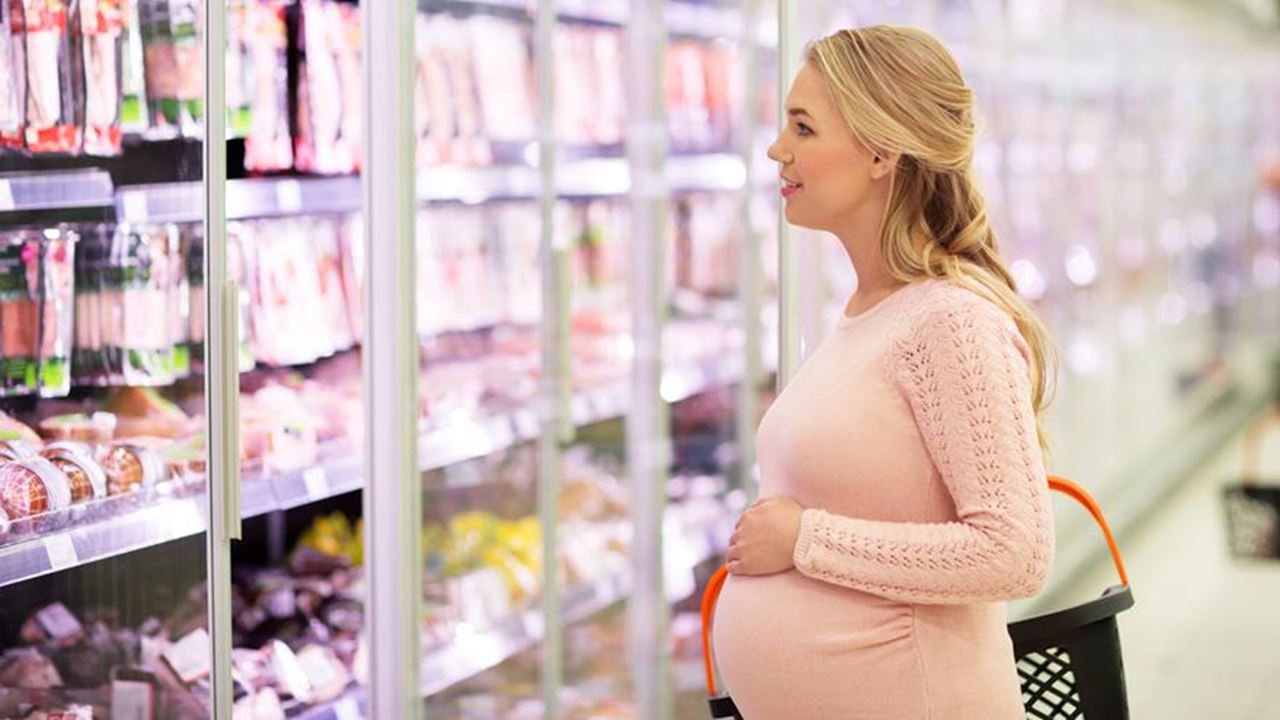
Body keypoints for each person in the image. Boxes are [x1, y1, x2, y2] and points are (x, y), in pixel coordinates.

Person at [712, 26, 1057, 719]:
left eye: (803, 127)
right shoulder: (873, 310)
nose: (779, 148)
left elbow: (1014, 552)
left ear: (879, 149)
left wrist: (807, 539)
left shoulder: (952, 322)